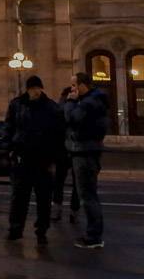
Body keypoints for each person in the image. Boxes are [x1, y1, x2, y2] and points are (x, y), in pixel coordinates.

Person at [4, 75, 63, 243]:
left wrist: (54, 158)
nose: (36, 91)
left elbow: (58, 134)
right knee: (19, 197)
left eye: (38, 88)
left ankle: (41, 230)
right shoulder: (17, 105)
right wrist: (9, 149)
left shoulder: (51, 107)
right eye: (33, 88)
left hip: (43, 159)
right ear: (28, 89)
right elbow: (8, 127)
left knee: (43, 199)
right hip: (22, 157)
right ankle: (15, 228)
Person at [63, 72, 109, 249]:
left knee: (88, 196)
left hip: (84, 152)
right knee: (89, 195)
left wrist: (71, 102)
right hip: (86, 151)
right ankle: (94, 234)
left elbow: (71, 118)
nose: (72, 89)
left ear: (83, 85)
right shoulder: (93, 101)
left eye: (74, 86)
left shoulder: (89, 102)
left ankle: (93, 236)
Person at [52, 86, 80, 223]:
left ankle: (57, 209)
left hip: (61, 149)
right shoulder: (74, 107)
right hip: (73, 149)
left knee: (59, 181)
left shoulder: (58, 108)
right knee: (76, 183)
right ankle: (74, 211)